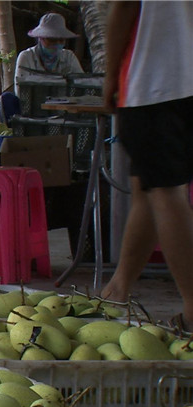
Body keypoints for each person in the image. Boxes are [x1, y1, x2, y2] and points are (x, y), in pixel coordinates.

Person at [100, 1, 193, 331]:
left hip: (152, 82)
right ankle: (118, 288)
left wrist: (110, 74)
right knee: (147, 188)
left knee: (166, 192)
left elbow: (123, 6)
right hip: (184, 81)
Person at [14, 12, 84, 95]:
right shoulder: (26, 57)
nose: (57, 44)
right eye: (51, 39)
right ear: (40, 38)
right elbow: (20, 91)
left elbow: (82, 85)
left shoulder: (69, 57)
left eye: (61, 40)